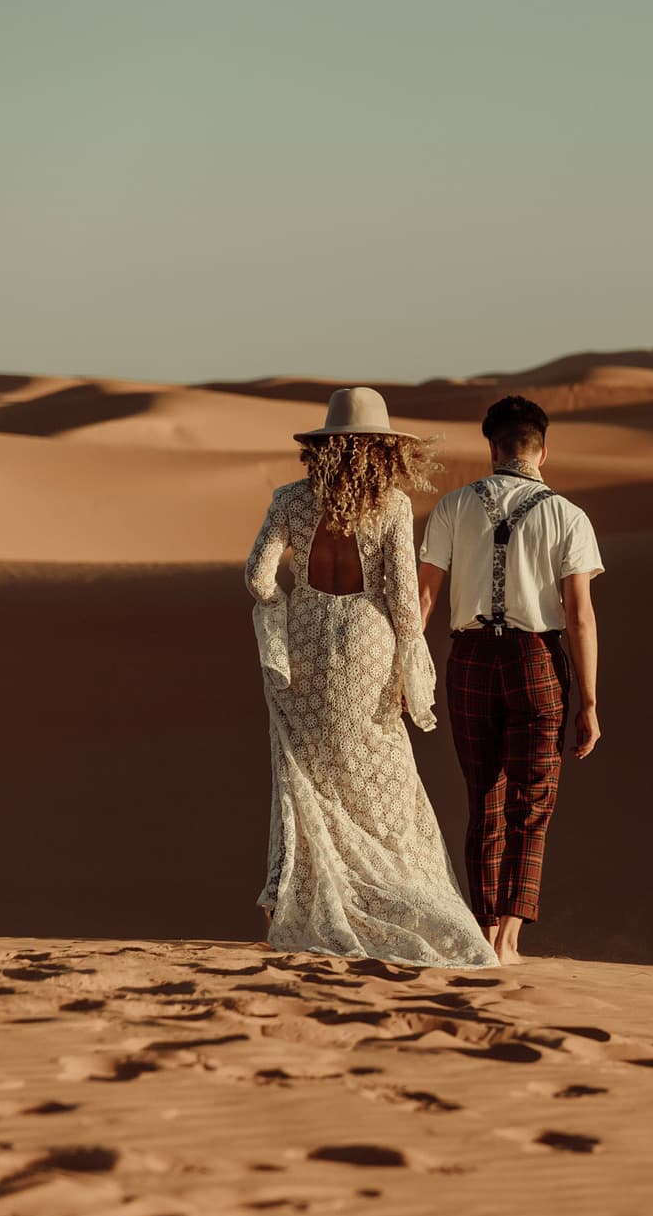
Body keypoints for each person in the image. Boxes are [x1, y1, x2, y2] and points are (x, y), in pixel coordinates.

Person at [244, 386, 496, 967]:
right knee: (383, 791)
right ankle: (412, 906)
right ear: (382, 450)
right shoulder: (393, 506)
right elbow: (406, 604)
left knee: (305, 779)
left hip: (304, 652)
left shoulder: (289, 500)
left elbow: (259, 577)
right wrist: (413, 672)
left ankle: (296, 909)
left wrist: (281, 612)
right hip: (368, 650)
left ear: (324, 446)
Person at [417, 395, 604, 964]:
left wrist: (407, 664)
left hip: (469, 660)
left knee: (485, 800)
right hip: (537, 662)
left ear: (491, 447)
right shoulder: (567, 516)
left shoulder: (452, 507)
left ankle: (483, 923)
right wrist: (590, 701)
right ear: (543, 449)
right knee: (533, 802)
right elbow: (578, 615)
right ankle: (510, 937)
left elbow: (423, 596)